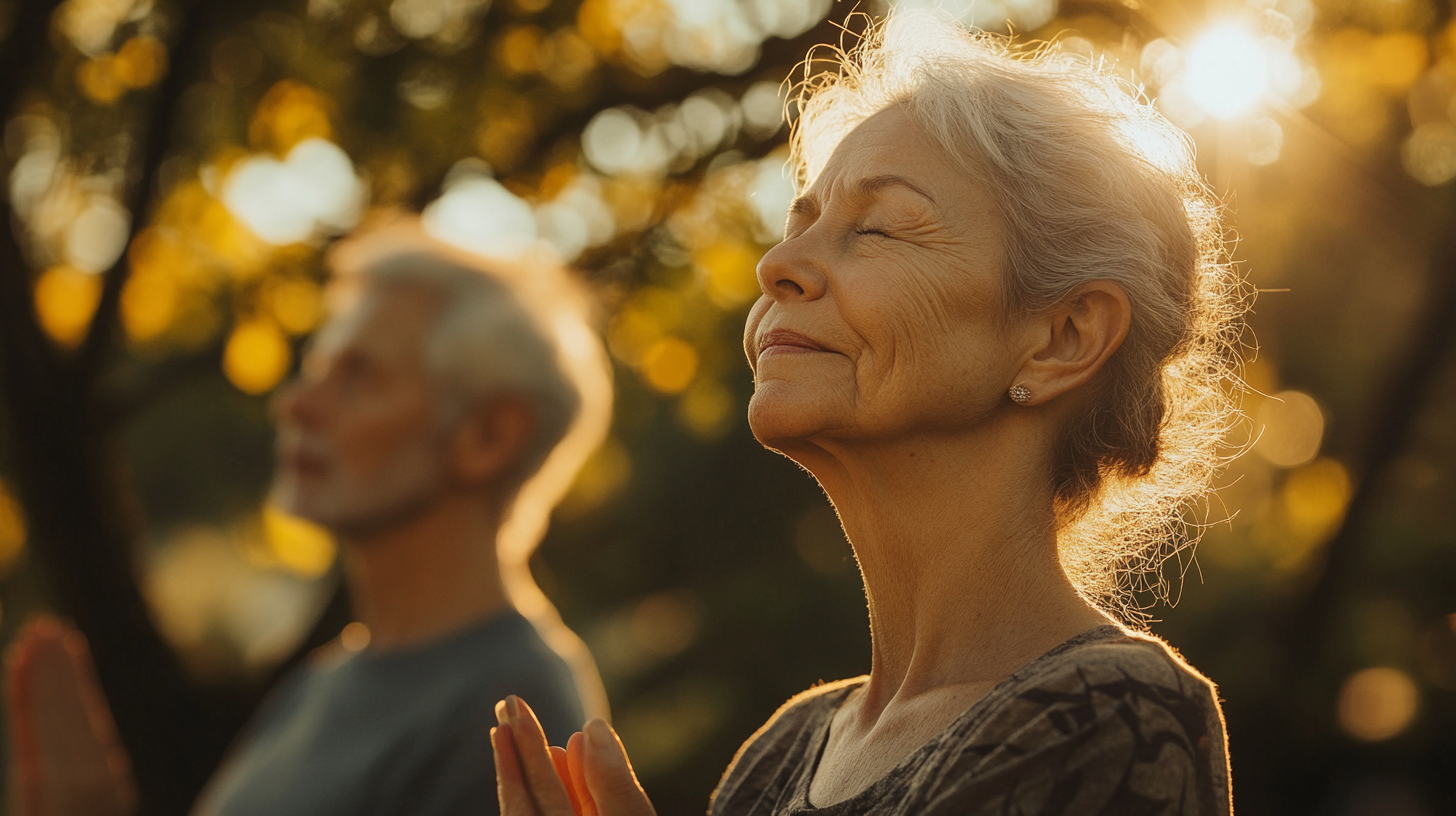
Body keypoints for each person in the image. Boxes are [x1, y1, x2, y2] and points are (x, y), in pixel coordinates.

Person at [492, 9, 1244, 816]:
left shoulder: (1112, 712)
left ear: (1062, 337)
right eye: (800, 224)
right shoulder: (784, 750)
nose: (777, 265)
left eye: (878, 227)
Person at [5, 219, 615, 816]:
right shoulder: (323, 682)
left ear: (489, 437)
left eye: (360, 375)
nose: (296, 404)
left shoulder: (512, 717)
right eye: (319, 370)